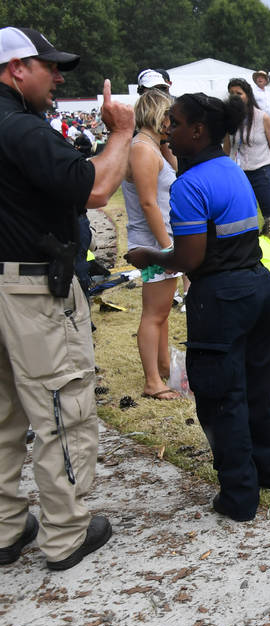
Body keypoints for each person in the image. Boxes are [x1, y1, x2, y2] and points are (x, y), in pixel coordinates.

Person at [0, 27, 134, 570]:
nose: (58, 77)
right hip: (31, 288)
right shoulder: (21, 129)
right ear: (15, 70)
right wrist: (121, 132)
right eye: (48, 66)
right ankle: (66, 534)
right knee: (63, 407)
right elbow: (95, 189)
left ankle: (7, 527)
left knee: (5, 413)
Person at [125, 92, 270, 523]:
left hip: (221, 297)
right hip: (257, 287)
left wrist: (150, 257)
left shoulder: (188, 185)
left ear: (198, 131)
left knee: (220, 397)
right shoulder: (231, 170)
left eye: (175, 123)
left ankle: (238, 497)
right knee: (256, 385)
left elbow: (189, 259)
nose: (168, 131)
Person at [122, 87, 182, 401]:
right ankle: (152, 382)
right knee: (153, 314)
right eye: (170, 116)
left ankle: (162, 368)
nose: (173, 123)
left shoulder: (150, 146)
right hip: (153, 244)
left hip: (158, 242)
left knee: (161, 312)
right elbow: (148, 203)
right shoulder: (143, 148)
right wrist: (168, 248)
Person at [227, 78, 270, 279]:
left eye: (238, 93)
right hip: (239, 174)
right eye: (231, 93)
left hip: (262, 172)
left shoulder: (262, 117)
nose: (235, 96)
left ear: (247, 94)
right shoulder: (230, 121)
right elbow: (227, 149)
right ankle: (250, 263)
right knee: (243, 219)